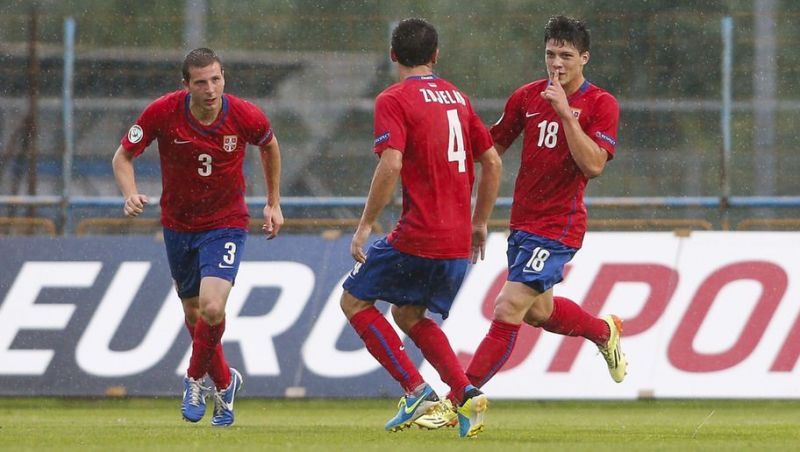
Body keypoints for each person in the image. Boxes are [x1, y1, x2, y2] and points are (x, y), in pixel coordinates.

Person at [339, 18, 502, 438]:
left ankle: (417, 391)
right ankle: (465, 392)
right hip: (455, 242)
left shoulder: (393, 99)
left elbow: (390, 161)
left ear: (393, 55)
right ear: (435, 56)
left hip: (419, 234)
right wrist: (479, 222)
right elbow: (493, 162)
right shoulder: (459, 99)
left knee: (354, 302)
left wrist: (365, 225)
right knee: (408, 313)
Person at [111, 48, 283, 427]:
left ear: (224, 78)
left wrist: (273, 203)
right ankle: (224, 382)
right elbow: (122, 157)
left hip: (226, 222)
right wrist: (129, 192)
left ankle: (194, 379)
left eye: (216, 79)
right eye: (201, 82)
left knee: (212, 307)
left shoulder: (243, 114)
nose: (210, 89)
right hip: (178, 225)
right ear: (186, 85)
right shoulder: (162, 113)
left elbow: (269, 146)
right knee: (193, 313)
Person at [465, 15, 626, 392]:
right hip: (523, 224)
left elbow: (594, 165)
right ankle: (604, 332)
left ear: (585, 58)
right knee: (540, 312)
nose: (557, 64)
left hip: (559, 226)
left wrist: (566, 115)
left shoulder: (601, 103)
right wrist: (447, 132)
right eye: (551, 54)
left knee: (507, 307)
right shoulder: (525, 97)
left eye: (567, 56)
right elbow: (490, 150)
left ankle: (458, 398)